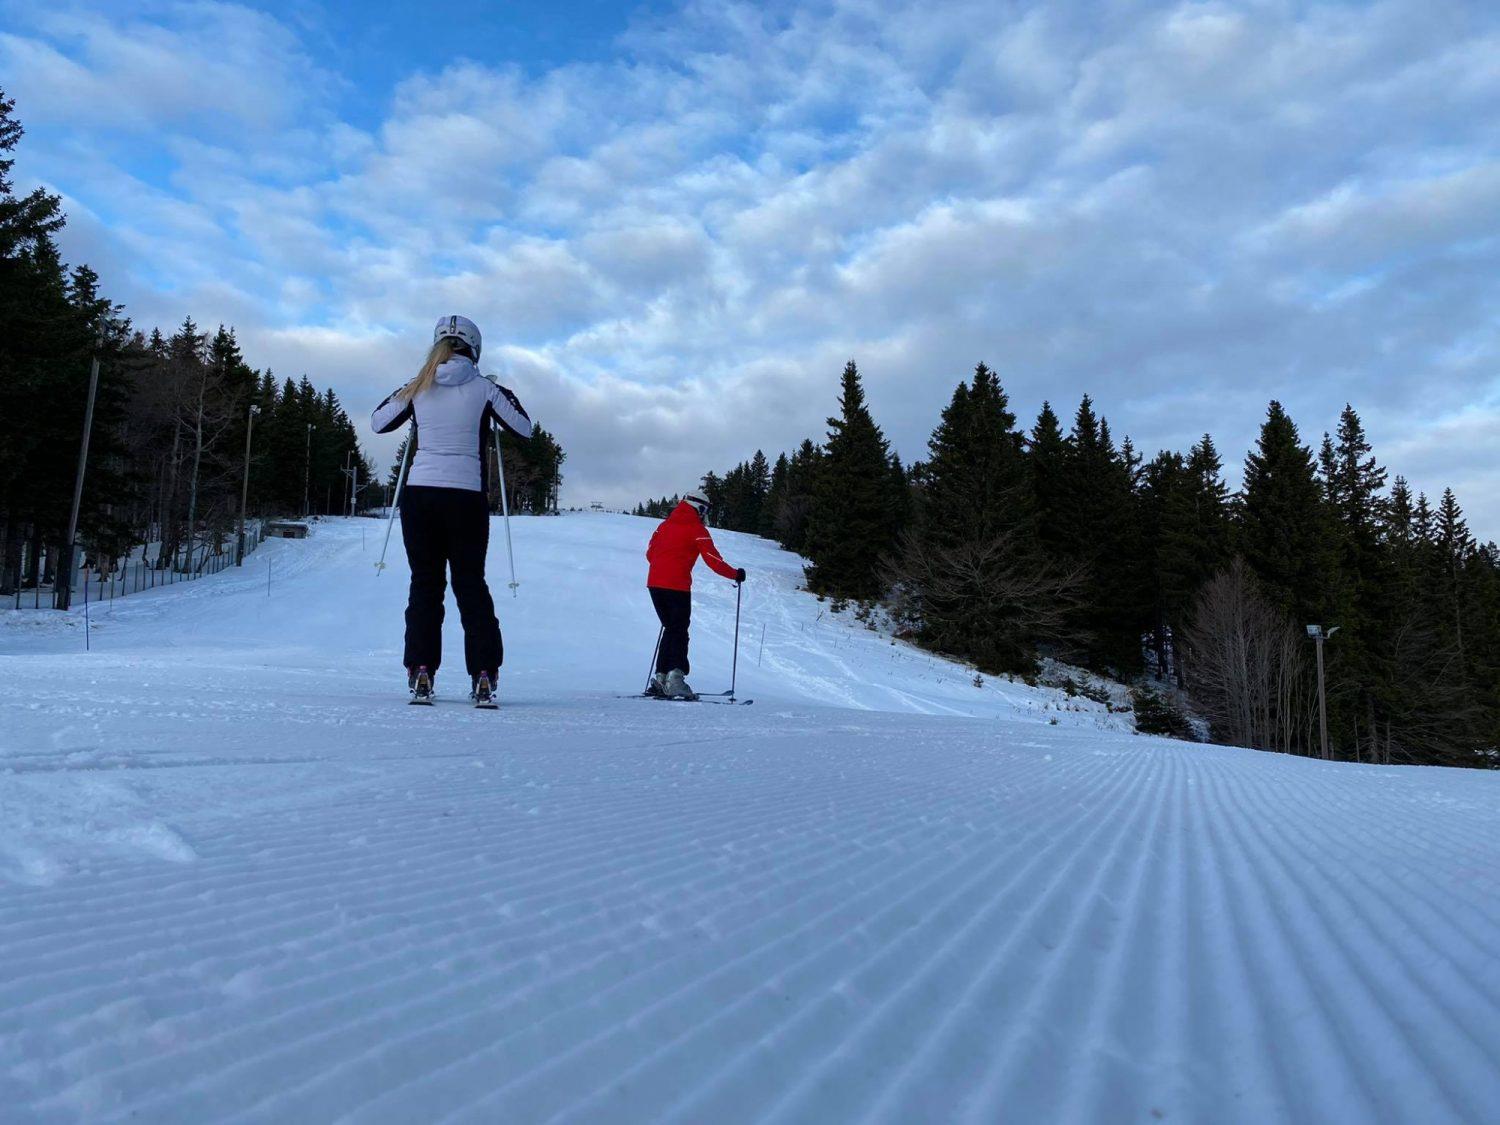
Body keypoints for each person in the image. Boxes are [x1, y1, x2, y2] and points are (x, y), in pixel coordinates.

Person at [371, 315, 532, 703]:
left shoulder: (418, 386)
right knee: (470, 584)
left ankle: (421, 669)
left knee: (425, 584)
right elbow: (524, 428)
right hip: (466, 496)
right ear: (475, 348)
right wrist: (498, 391)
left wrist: (412, 388)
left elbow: (378, 422)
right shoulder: (486, 389)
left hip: (421, 496)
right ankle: (483, 673)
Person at [645, 489, 745, 699]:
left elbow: (650, 554)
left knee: (671, 629)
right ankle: (675, 680)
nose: (704, 515)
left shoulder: (663, 526)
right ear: (699, 508)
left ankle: (661, 678)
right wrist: (735, 574)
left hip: (654, 584)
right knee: (679, 630)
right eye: (704, 510)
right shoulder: (696, 528)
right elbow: (713, 559)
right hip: (677, 586)